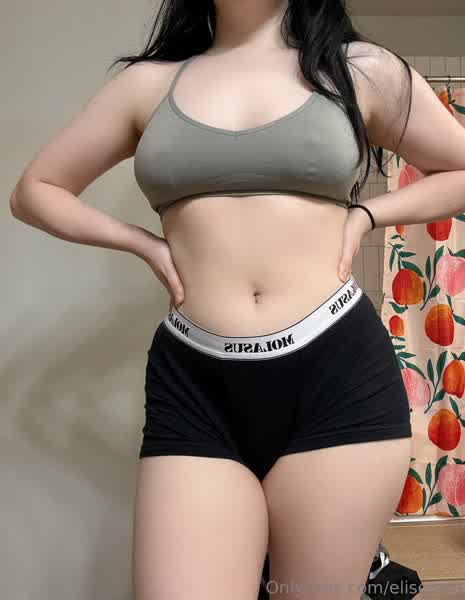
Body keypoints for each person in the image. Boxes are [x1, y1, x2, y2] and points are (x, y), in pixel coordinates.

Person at [10, 1, 465, 599]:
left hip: (336, 372)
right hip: (195, 381)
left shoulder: (360, 69)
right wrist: (140, 243)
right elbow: (34, 190)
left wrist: (367, 215)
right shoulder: (147, 85)